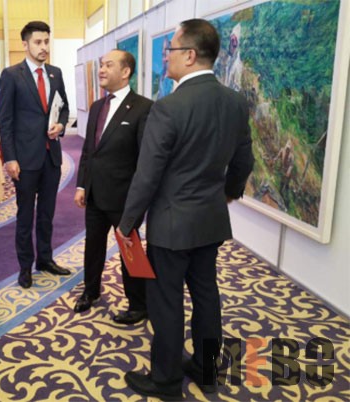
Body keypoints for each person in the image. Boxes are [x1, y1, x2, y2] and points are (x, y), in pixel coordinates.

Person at [116, 19, 254, 399]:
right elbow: (244, 162)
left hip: (171, 226)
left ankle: (165, 381)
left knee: (167, 302)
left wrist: (127, 224)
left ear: (190, 55)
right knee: (207, 295)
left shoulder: (168, 107)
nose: (166, 57)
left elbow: (147, 175)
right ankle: (207, 371)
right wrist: (228, 194)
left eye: (171, 50)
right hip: (210, 221)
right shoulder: (235, 102)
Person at [73, 49, 153, 324]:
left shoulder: (143, 107)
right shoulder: (97, 106)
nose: (102, 70)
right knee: (92, 247)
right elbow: (89, 150)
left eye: (108, 65)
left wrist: (138, 200)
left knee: (131, 250)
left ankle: (139, 304)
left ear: (126, 71)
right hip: (95, 194)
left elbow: (145, 159)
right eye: (101, 65)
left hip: (124, 197)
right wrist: (81, 185)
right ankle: (91, 291)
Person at [0, 21, 70, 288]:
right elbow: (5, 120)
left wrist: (61, 125)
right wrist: (10, 158)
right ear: (25, 44)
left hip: (51, 157)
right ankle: (25, 267)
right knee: (25, 216)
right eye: (38, 42)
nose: (44, 47)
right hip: (25, 159)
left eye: (47, 42)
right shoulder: (11, 75)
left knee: (47, 214)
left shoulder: (55, 73)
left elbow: (64, 107)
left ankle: (45, 259)